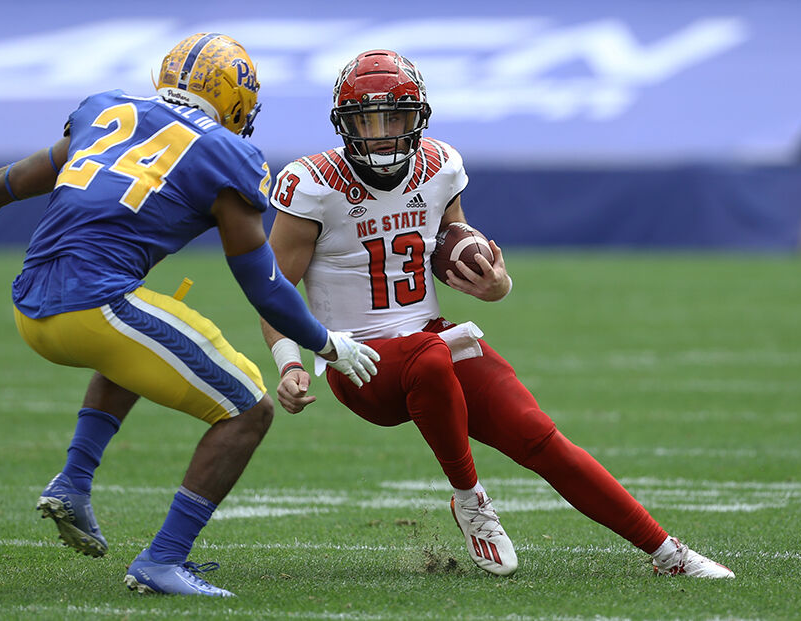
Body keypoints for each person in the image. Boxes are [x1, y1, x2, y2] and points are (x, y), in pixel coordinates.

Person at [0, 32, 379, 598]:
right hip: (96, 308)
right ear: (237, 98)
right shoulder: (227, 154)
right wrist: (327, 343)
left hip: (31, 306)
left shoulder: (104, 110)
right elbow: (263, 285)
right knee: (248, 410)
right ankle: (162, 560)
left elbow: (5, 182)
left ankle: (74, 480)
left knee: (149, 327)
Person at [260, 49, 734, 580]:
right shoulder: (313, 183)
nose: (382, 133)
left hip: (431, 337)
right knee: (429, 355)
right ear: (343, 124)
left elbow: (450, 247)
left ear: (418, 118)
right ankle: (470, 498)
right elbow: (272, 288)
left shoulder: (439, 167)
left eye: (395, 116)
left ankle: (667, 552)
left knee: (537, 434)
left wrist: (495, 285)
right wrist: (290, 362)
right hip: (358, 361)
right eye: (368, 120)